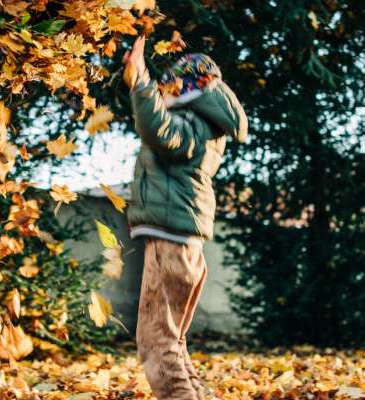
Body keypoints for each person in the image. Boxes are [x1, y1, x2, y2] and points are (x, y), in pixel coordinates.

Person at [123, 37, 248, 400]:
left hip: (171, 243)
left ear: (187, 91)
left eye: (168, 89)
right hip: (185, 246)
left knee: (155, 341)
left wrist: (141, 82)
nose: (163, 95)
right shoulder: (208, 126)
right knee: (172, 339)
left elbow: (158, 131)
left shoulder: (191, 123)